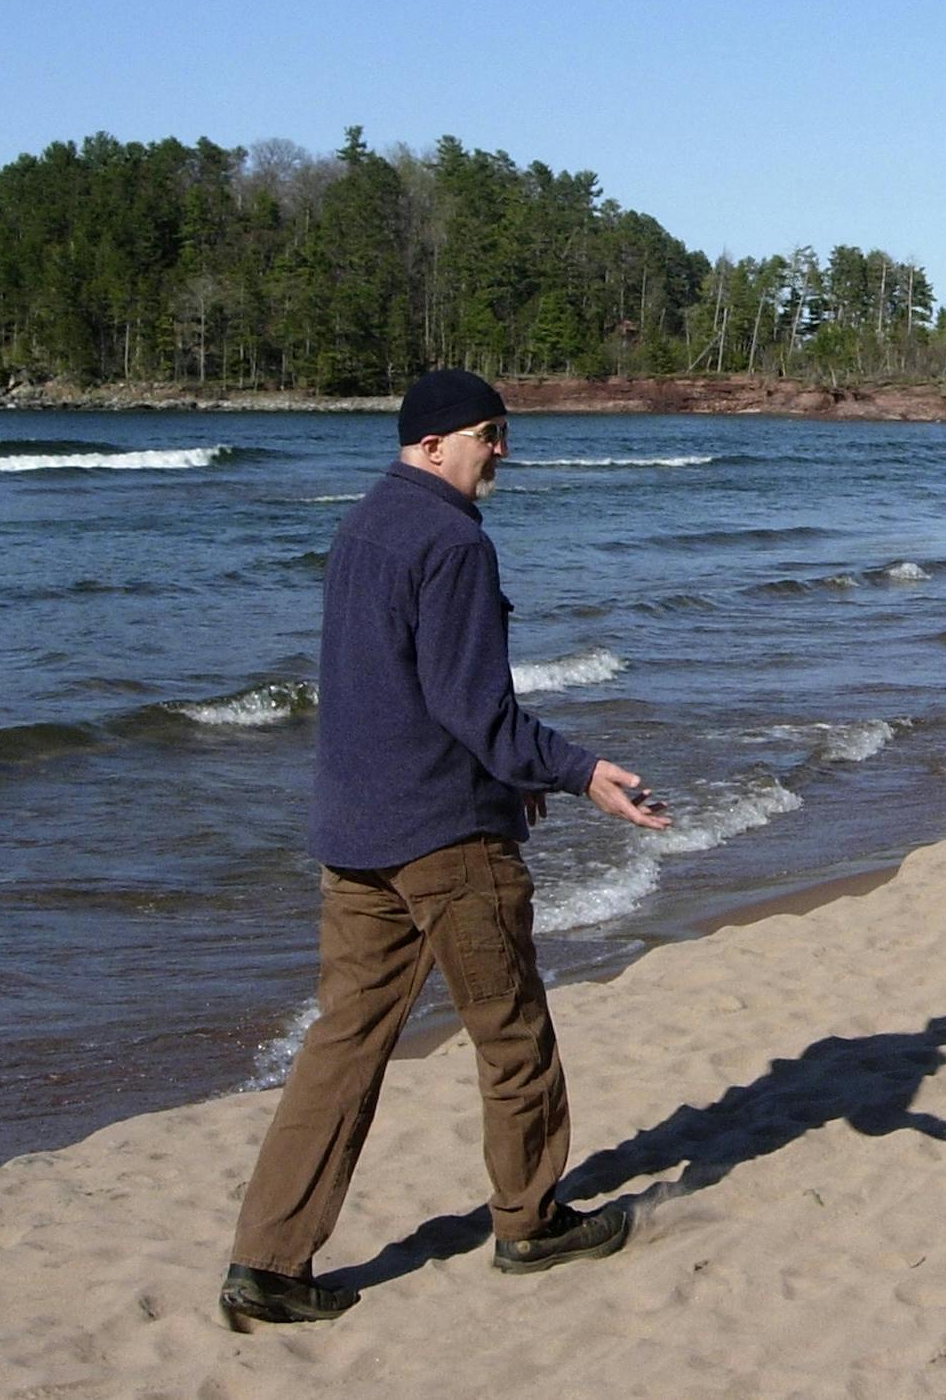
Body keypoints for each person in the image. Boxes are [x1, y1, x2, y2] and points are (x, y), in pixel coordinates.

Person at [218, 369, 670, 1326]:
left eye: (502, 431)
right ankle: (530, 1223)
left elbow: (383, 692)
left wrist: (507, 774)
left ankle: (267, 1264)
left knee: (342, 1044)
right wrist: (580, 772)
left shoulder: (363, 527)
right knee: (512, 1037)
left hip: (356, 832)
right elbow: (476, 708)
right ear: (431, 445)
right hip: (446, 840)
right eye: (488, 433)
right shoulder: (451, 539)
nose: (502, 449)